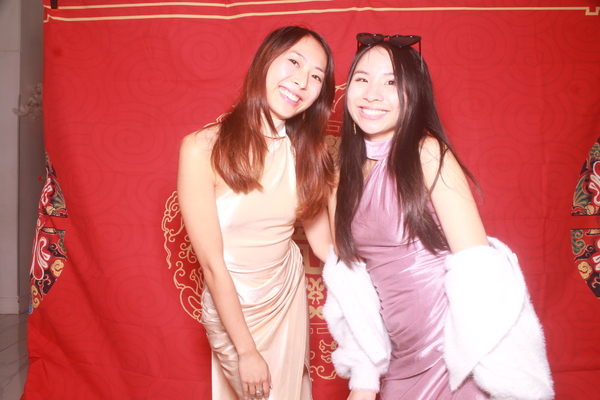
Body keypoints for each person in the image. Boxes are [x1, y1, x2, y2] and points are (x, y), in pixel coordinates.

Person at [323, 34, 554, 400]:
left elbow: (479, 267)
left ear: (413, 94)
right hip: (399, 357)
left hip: (456, 357)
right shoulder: (339, 177)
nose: (372, 94)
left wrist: (502, 374)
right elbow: (350, 280)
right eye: (362, 79)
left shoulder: (427, 153)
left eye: (391, 82)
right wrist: (364, 378)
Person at [177, 26, 335, 400]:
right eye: (294, 62)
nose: (302, 82)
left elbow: (324, 246)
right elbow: (212, 265)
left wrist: (383, 280)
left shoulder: (308, 155)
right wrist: (246, 352)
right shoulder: (202, 148)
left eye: (316, 77)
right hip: (233, 305)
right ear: (265, 61)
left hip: (284, 293)